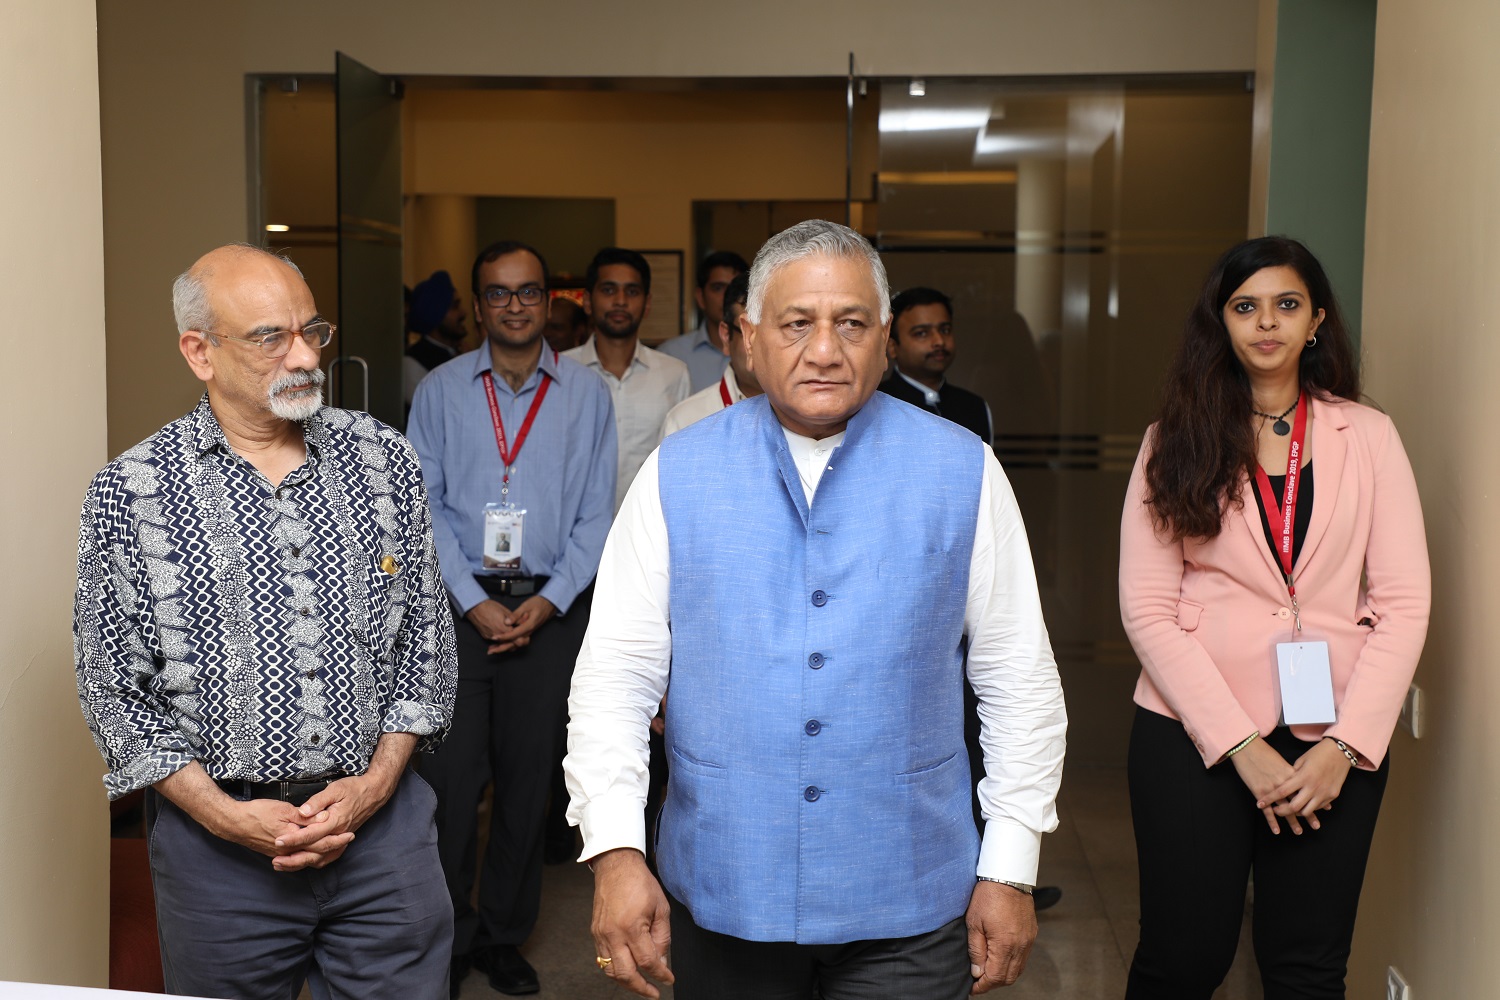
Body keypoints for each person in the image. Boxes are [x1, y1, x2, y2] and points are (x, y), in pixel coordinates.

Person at [566, 219, 1067, 1000]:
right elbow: (615, 678)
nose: (826, 350)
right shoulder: (677, 469)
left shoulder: (963, 469)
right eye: (797, 324)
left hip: (908, 895)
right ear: (748, 337)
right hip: (727, 888)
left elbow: (1018, 677)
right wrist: (616, 853)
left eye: (852, 324)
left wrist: (1010, 865)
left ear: (887, 337)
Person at [73, 244, 458, 1000]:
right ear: (200, 352)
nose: (306, 355)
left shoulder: (383, 459)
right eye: (269, 337)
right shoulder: (131, 492)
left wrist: (376, 785)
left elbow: (427, 644)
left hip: (383, 837)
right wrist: (227, 817)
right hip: (219, 858)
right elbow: (113, 691)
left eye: (312, 329)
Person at [1118, 236, 1430, 997]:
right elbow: (1148, 609)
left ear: (1316, 319)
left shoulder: (1371, 437)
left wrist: (1349, 748)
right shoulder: (1174, 441)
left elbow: (1404, 603)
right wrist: (1241, 748)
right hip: (1192, 736)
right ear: (1220, 322)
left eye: (1286, 305)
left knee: (1307, 968)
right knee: (1184, 960)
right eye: (1245, 306)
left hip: (1333, 739)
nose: (1267, 323)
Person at [407, 240, 617, 997]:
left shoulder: (589, 396)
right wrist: (474, 600)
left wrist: (548, 600)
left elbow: (600, 512)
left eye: (529, 291)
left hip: (550, 611)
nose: (516, 305)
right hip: (459, 613)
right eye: (498, 293)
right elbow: (420, 511)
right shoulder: (438, 392)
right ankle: (451, 936)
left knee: (530, 790)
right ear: (481, 303)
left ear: (553, 302)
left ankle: (503, 934)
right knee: (452, 790)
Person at [564, 247, 690, 512]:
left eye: (632, 292)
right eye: (608, 290)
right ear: (587, 301)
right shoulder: (562, 371)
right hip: (576, 526)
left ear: (647, 304)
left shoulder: (673, 373)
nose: (620, 300)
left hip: (648, 529)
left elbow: (679, 462)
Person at [878, 286, 992, 445]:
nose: (939, 341)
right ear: (892, 346)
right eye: (922, 333)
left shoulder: (974, 407)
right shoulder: (873, 405)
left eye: (945, 330)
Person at [661, 270, 760, 435]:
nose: (761, 345)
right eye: (748, 332)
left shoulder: (811, 412)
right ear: (726, 336)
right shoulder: (687, 421)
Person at [656, 249, 748, 392]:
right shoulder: (671, 354)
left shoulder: (764, 352)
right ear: (700, 297)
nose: (727, 297)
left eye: (734, 290)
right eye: (718, 288)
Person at [404, 269, 468, 410]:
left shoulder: (458, 355)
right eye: (455, 307)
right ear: (435, 316)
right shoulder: (413, 363)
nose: (463, 313)